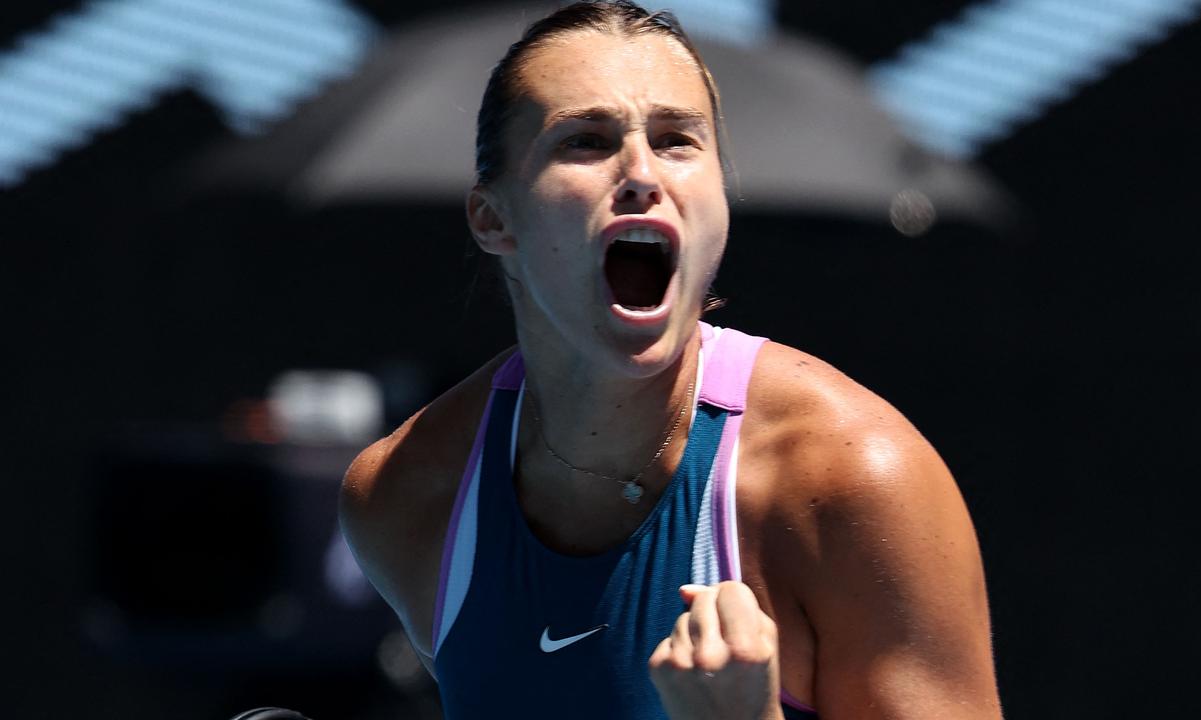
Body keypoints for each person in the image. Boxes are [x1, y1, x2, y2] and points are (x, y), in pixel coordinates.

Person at [339, 2, 1001, 718]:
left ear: (720, 197)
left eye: (677, 140)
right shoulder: (402, 497)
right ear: (492, 218)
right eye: (587, 141)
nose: (640, 172)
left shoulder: (856, 480)